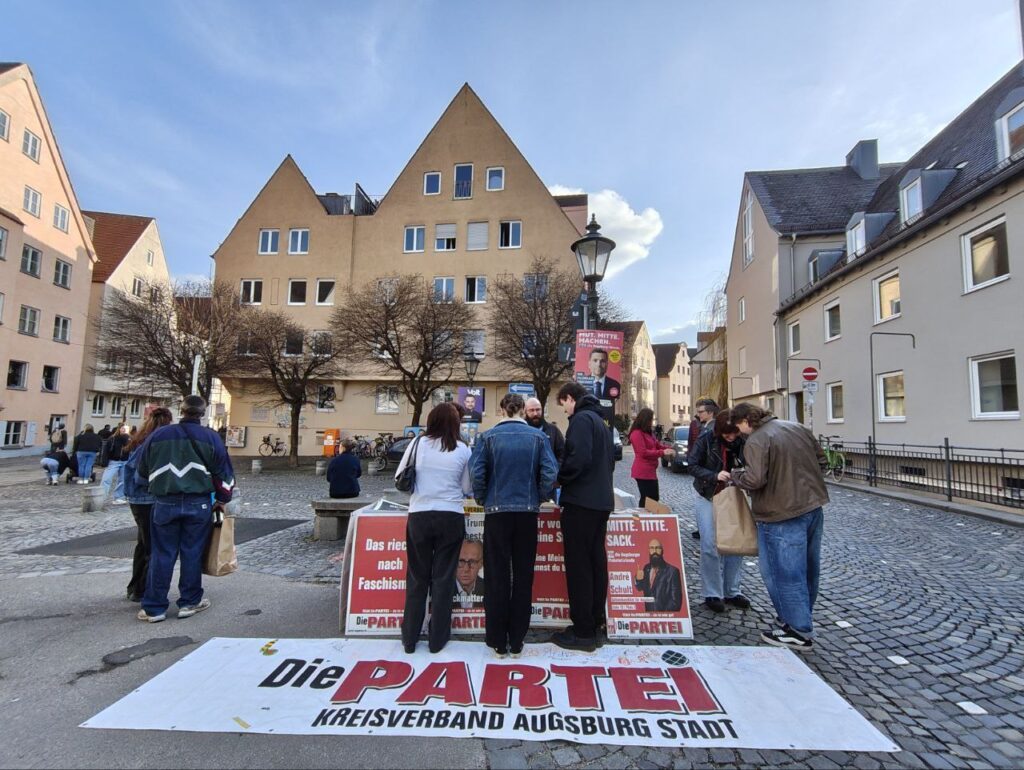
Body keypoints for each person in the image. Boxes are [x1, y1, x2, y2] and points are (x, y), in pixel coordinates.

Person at [725, 403, 828, 652]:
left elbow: (755, 479)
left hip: (780, 513)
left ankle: (798, 630)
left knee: (782, 572)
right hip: (812, 507)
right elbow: (822, 463)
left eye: (738, 427)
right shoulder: (797, 428)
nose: (739, 432)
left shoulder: (757, 439)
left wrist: (736, 475)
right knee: (807, 570)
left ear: (745, 421)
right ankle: (796, 618)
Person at [471, 393, 558, 657]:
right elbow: (550, 472)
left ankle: (497, 640)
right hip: (527, 513)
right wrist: (539, 496)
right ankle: (517, 640)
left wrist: (483, 498)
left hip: (497, 512)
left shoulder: (487, 437)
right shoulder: (538, 437)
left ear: (502, 410)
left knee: (496, 576)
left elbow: (476, 473)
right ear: (522, 410)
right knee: (523, 576)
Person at [136, 395, 234, 623]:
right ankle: (189, 601)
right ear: (202, 412)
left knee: (162, 554)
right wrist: (222, 499)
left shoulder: (159, 435)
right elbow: (225, 474)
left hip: (165, 501)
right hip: (198, 502)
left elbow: (141, 472)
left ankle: (154, 608)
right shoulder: (211, 437)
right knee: (192, 552)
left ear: (182, 410)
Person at [395, 402, 473, 654]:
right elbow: (467, 487)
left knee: (417, 577)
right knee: (443, 578)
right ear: (455, 423)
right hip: (450, 515)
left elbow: (400, 475)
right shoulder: (462, 449)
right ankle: (437, 639)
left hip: (419, 513)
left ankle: (409, 637)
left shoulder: (417, 444)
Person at [551, 381, 614, 652]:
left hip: (581, 502)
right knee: (596, 563)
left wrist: (559, 478)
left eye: (563, 405)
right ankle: (595, 622)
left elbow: (578, 458)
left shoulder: (580, 420)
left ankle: (583, 631)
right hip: (601, 501)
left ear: (570, 398)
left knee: (579, 567)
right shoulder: (600, 421)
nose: (565, 411)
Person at [687, 410, 750, 614]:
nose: (731, 437)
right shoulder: (706, 438)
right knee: (709, 544)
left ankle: (732, 590)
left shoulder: (743, 440)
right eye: (727, 433)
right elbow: (692, 465)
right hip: (708, 495)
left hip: (733, 495)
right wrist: (714, 475)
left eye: (734, 433)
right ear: (720, 430)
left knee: (735, 543)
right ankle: (712, 593)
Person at [122, 407, 174, 603]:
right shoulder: (154, 442)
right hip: (149, 498)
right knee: (153, 546)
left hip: (137, 499)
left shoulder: (141, 438)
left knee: (144, 544)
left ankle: (136, 587)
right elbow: (141, 474)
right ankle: (144, 589)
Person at [627, 407, 674, 506]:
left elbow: (657, 445)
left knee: (654, 498)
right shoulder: (636, 433)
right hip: (642, 471)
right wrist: (662, 452)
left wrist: (670, 448)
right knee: (647, 499)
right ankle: (642, 515)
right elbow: (643, 452)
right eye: (651, 419)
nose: (652, 422)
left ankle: (648, 514)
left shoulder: (648, 432)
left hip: (650, 470)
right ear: (645, 420)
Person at [688, 399, 719, 540]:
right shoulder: (698, 425)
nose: (698, 414)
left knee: (710, 530)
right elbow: (691, 443)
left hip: (707, 482)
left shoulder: (712, 430)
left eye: (701, 412)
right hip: (702, 478)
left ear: (710, 412)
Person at [634, 538, 683, 611]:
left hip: (664, 615)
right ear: (649, 550)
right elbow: (640, 588)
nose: (654, 551)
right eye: (652, 548)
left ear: (662, 551)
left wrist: (661, 614)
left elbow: (676, 602)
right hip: (649, 615)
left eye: (657, 548)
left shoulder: (673, 571)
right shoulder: (646, 568)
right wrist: (638, 579)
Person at [525, 396, 565, 465]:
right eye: (531, 410)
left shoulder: (553, 430)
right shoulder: (522, 431)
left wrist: (556, 468)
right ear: (525, 412)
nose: (535, 413)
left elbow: (562, 453)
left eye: (538, 410)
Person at [101, 425, 131, 504]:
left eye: (126, 429)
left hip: (125, 461)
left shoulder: (129, 439)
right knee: (106, 479)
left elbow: (131, 449)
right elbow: (106, 450)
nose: (124, 430)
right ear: (119, 429)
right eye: (123, 428)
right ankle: (102, 497)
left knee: (123, 480)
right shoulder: (112, 438)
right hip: (113, 461)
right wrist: (104, 461)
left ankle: (119, 497)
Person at [453, 539, 486, 609]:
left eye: (472, 561)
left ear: (481, 563)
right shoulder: (443, 590)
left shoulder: (489, 589)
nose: (466, 569)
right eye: (461, 561)